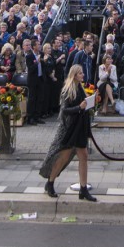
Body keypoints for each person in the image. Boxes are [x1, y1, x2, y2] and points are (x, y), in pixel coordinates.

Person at [38, 64, 96, 201]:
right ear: (74, 75)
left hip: (80, 127)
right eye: (80, 73)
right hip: (70, 129)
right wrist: (79, 107)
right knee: (64, 156)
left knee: (84, 156)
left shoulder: (81, 88)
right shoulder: (67, 90)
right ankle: (50, 182)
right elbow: (64, 110)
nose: (83, 75)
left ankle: (83, 189)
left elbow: (83, 106)